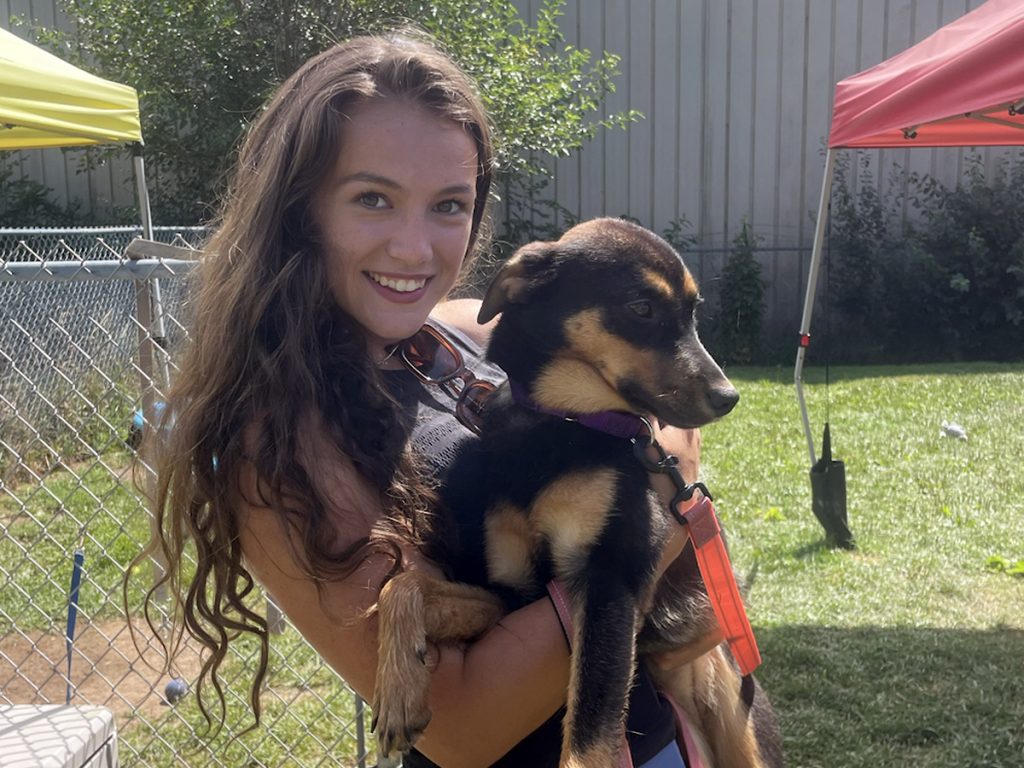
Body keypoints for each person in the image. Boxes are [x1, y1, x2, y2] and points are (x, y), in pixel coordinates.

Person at [137, 30, 712, 768]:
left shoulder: (452, 334)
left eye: (449, 204)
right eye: (373, 198)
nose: (416, 250)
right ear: (298, 209)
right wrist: (656, 527)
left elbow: (655, 373)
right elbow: (462, 726)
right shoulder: (277, 440)